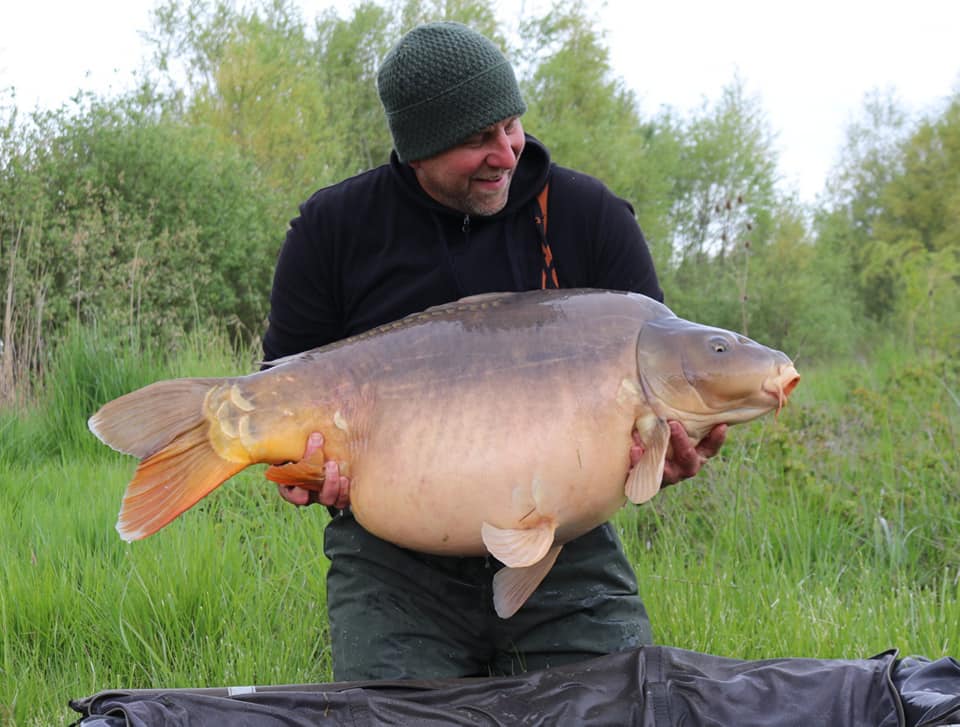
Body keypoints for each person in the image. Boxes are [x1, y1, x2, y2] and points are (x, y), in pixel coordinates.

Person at [262, 21, 726, 681]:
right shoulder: (332, 231)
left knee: (621, 700)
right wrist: (305, 475)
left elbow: (664, 385)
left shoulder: (589, 217)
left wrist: (672, 449)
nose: (506, 152)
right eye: (477, 138)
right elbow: (284, 395)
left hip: (567, 544)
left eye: (510, 126)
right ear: (416, 149)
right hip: (393, 556)